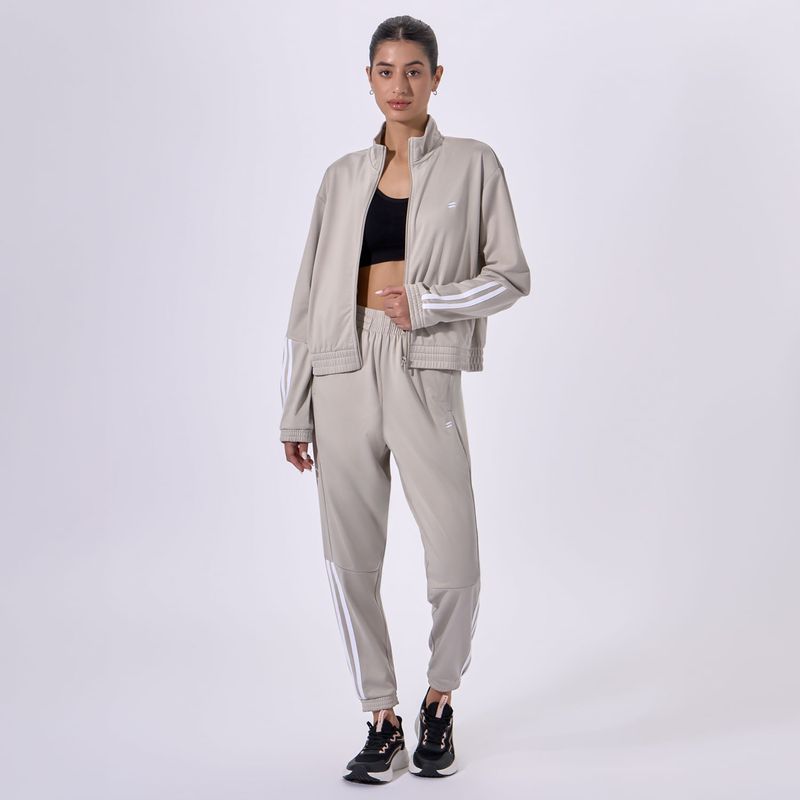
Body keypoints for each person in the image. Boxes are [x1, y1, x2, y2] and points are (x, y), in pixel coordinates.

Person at [279, 15, 531, 784]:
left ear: (436, 78)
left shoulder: (472, 164)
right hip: (340, 367)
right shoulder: (340, 177)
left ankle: (440, 700)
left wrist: (428, 304)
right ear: (369, 79)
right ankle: (381, 717)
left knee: (455, 559)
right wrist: (294, 406)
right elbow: (306, 299)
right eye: (386, 71)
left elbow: (510, 276)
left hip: (423, 364)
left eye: (414, 70)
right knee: (348, 558)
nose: (400, 85)